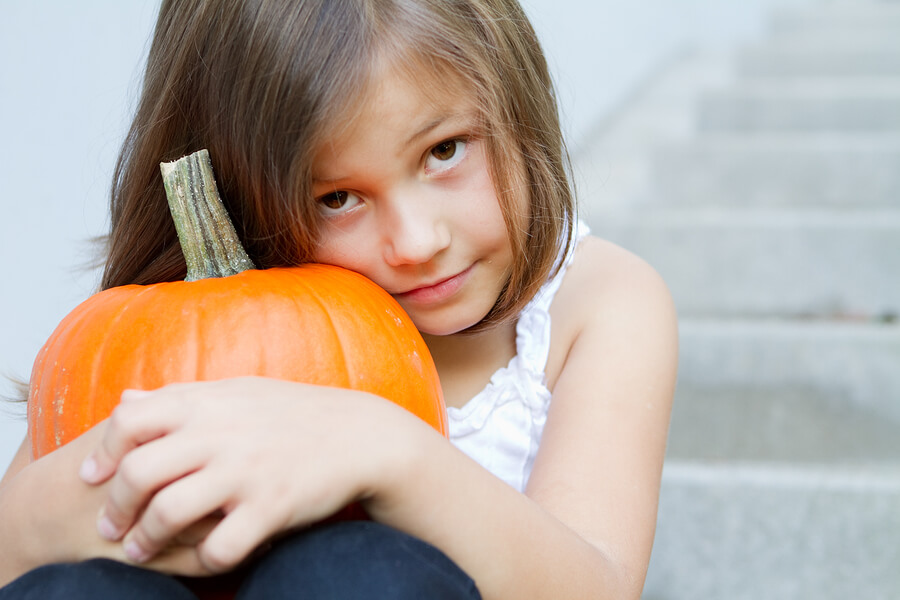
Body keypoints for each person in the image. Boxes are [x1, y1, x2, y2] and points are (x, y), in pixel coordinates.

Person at [0, 0, 678, 598]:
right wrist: (127, 493)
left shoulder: (594, 304)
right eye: (337, 199)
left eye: (445, 150)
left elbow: (596, 586)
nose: (415, 241)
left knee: (352, 574)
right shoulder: (173, 336)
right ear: (240, 199)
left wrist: (384, 448)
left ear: (516, 106)